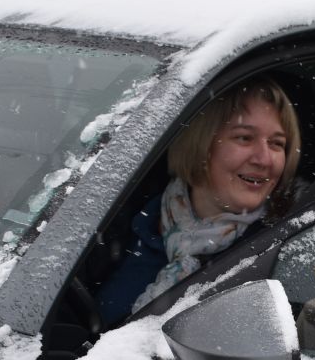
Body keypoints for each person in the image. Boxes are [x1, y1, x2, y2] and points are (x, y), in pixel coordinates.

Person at [96, 79, 300, 324]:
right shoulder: (120, 216)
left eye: (277, 143)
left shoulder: (292, 242)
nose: (264, 159)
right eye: (245, 138)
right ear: (201, 143)